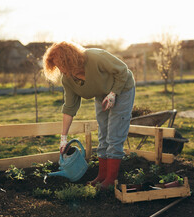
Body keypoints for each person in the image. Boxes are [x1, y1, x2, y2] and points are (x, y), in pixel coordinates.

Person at [43, 41, 135, 188]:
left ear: (69, 60)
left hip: (122, 89)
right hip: (102, 94)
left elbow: (122, 70)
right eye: (56, 66)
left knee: (114, 135)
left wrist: (113, 93)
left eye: (60, 64)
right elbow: (69, 108)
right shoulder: (68, 79)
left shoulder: (96, 57)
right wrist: (63, 138)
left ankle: (110, 180)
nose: (59, 69)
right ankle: (102, 176)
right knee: (103, 135)